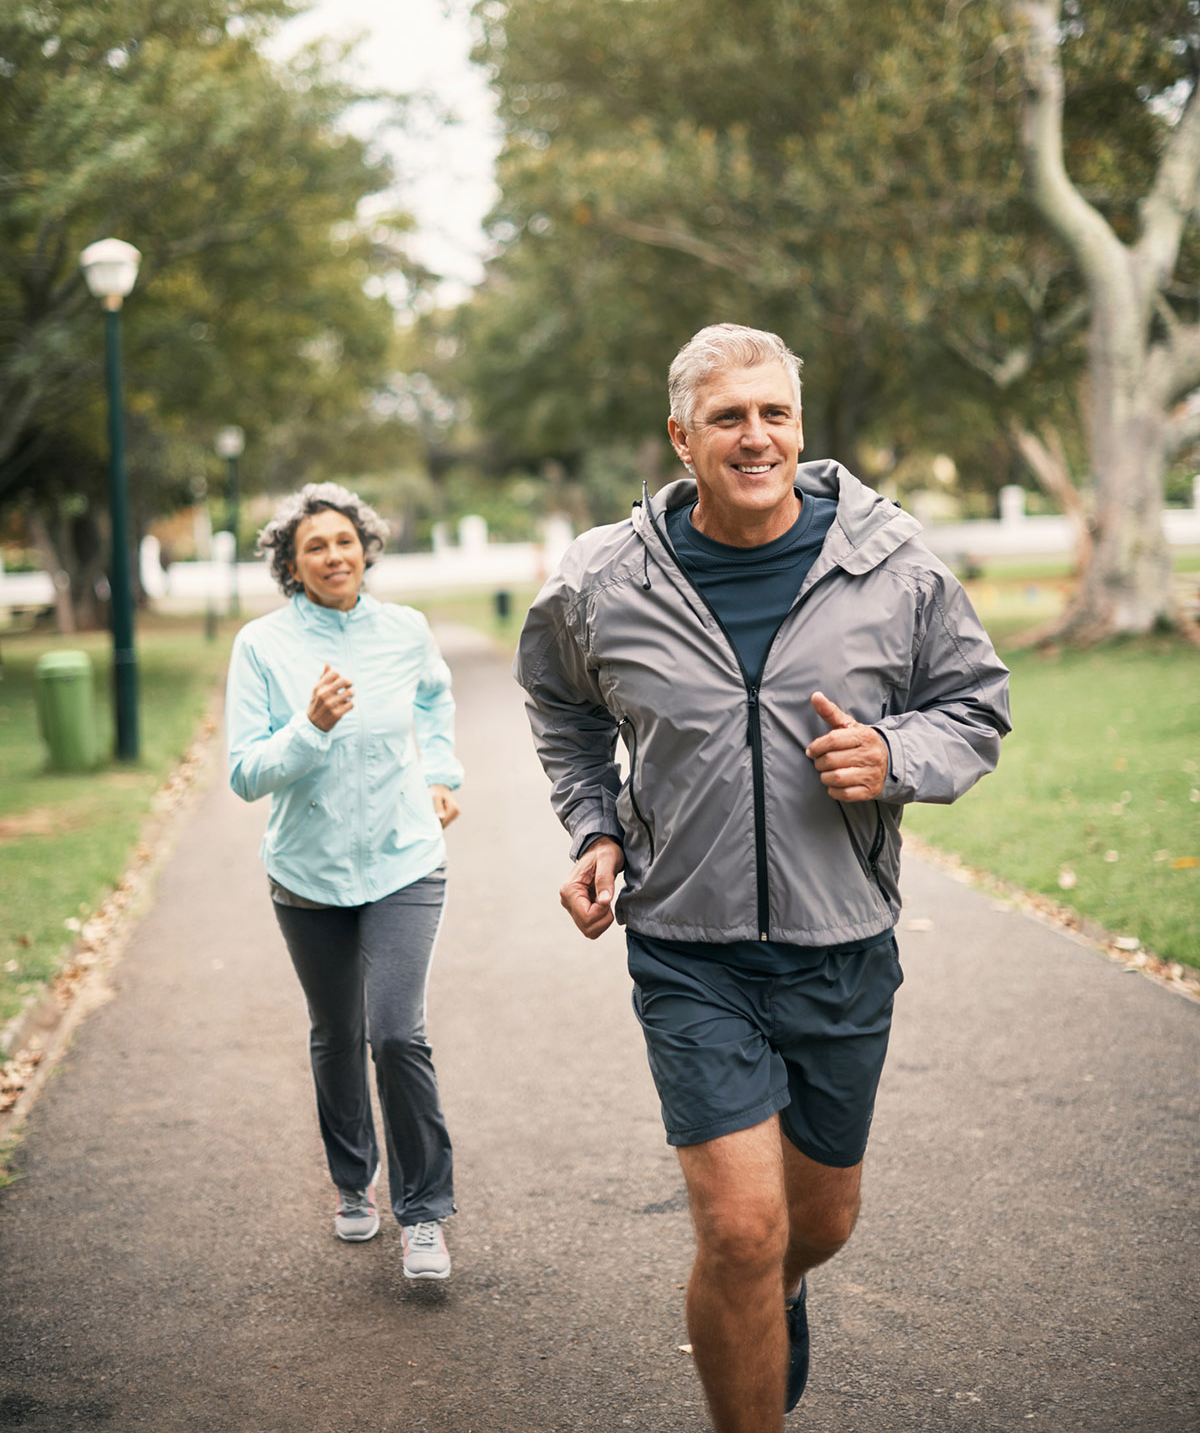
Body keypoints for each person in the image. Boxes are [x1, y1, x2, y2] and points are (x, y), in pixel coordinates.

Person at [515, 325, 1011, 1430]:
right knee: (740, 1226)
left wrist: (895, 755)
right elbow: (561, 701)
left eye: (775, 413)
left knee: (814, 1224)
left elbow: (976, 708)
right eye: (729, 415)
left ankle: (778, 1283)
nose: (757, 435)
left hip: (842, 942)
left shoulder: (893, 562)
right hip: (690, 948)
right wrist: (594, 824)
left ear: (800, 426)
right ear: (681, 436)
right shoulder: (605, 575)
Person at [226, 482, 462, 1282]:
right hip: (307, 871)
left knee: (395, 1032)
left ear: (366, 547)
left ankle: (424, 1213)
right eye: (314, 547)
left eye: (344, 540)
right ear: (291, 567)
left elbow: (433, 700)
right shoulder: (262, 646)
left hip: (405, 856)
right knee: (336, 1033)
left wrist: (441, 772)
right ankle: (353, 1179)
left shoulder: (405, 631)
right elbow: (244, 773)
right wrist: (310, 728)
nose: (333, 555)